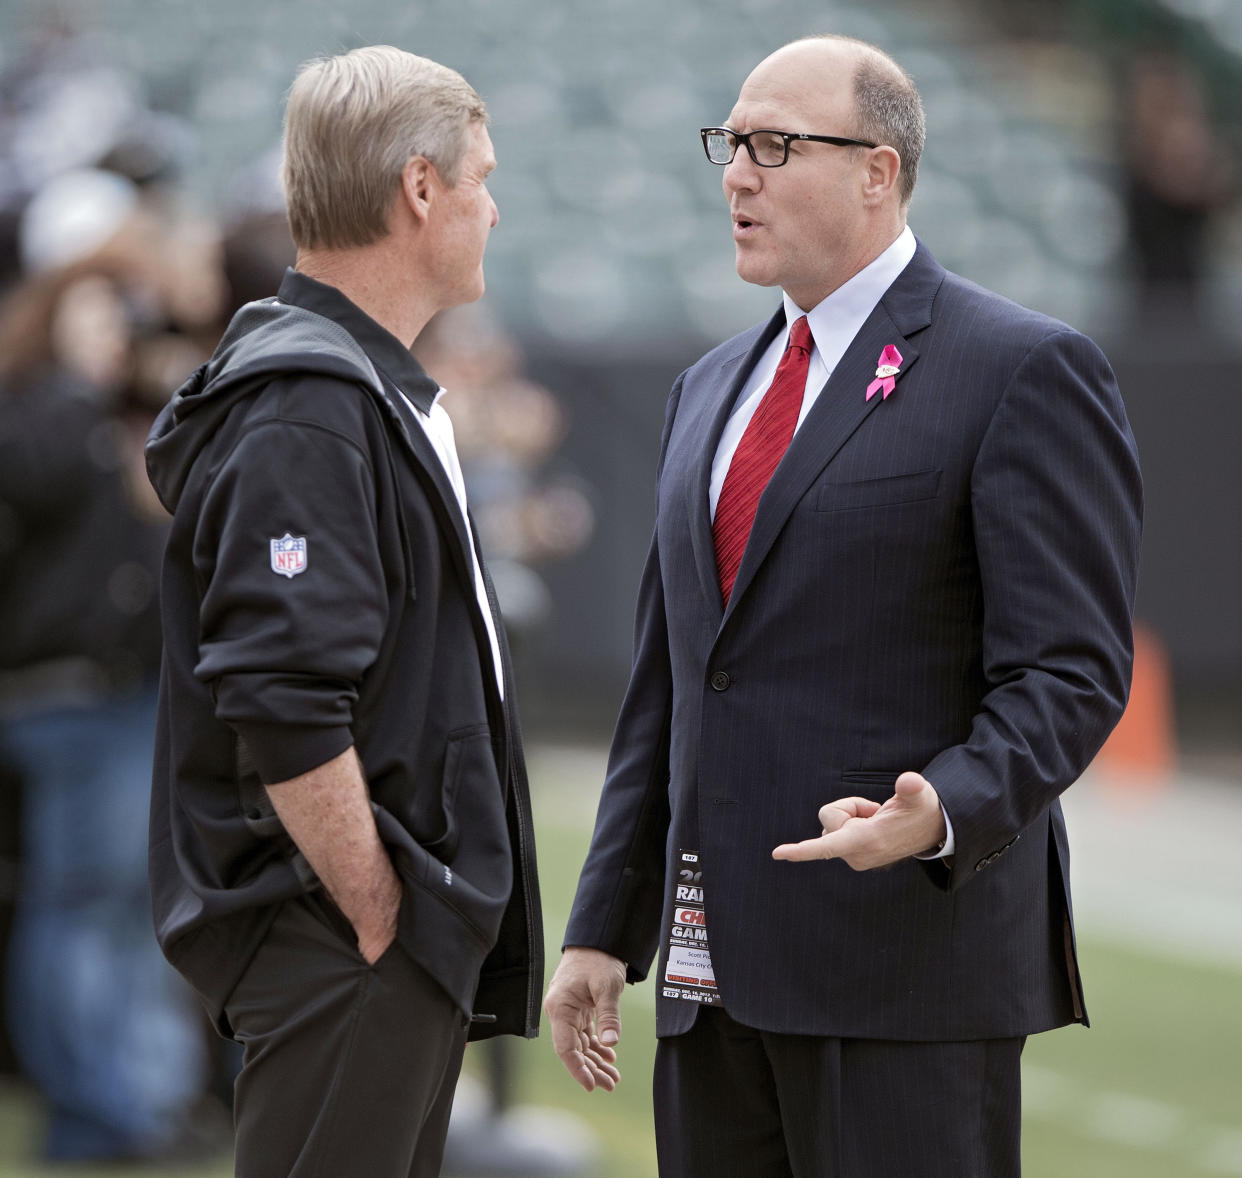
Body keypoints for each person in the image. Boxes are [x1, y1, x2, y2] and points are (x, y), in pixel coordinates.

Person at [544, 34, 1142, 1178]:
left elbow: (1070, 670)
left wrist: (944, 806)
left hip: (905, 973)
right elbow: (672, 686)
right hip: (710, 985)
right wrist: (599, 926)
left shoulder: (1021, 366)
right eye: (731, 144)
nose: (737, 174)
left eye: (775, 145)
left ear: (879, 171)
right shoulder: (708, 387)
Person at [144, 46, 542, 1178]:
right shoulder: (310, 406)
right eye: (482, 175)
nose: (495, 206)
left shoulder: (345, 386)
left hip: (365, 938)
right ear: (421, 189)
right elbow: (281, 693)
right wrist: (378, 910)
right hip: (344, 935)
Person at [0, 253, 210, 1164]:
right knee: (85, 905)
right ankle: (100, 1103)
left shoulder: (104, 420)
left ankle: (138, 1096)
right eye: (86, 319)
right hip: (73, 693)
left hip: (116, 690)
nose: (106, 336)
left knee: (122, 904)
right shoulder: (47, 414)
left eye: (112, 322)